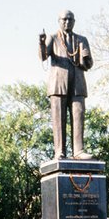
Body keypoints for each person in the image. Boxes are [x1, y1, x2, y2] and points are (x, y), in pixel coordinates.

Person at [38, 10, 94, 160]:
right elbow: (44, 56)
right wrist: (41, 43)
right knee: (58, 118)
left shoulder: (82, 40)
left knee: (79, 114)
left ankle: (78, 150)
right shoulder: (53, 38)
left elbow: (89, 64)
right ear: (59, 21)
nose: (67, 22)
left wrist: (86, 59)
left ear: (74, 21)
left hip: (77, 83)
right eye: (64, 19)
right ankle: (59, 151)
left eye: (70, 19)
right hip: (58, 84)